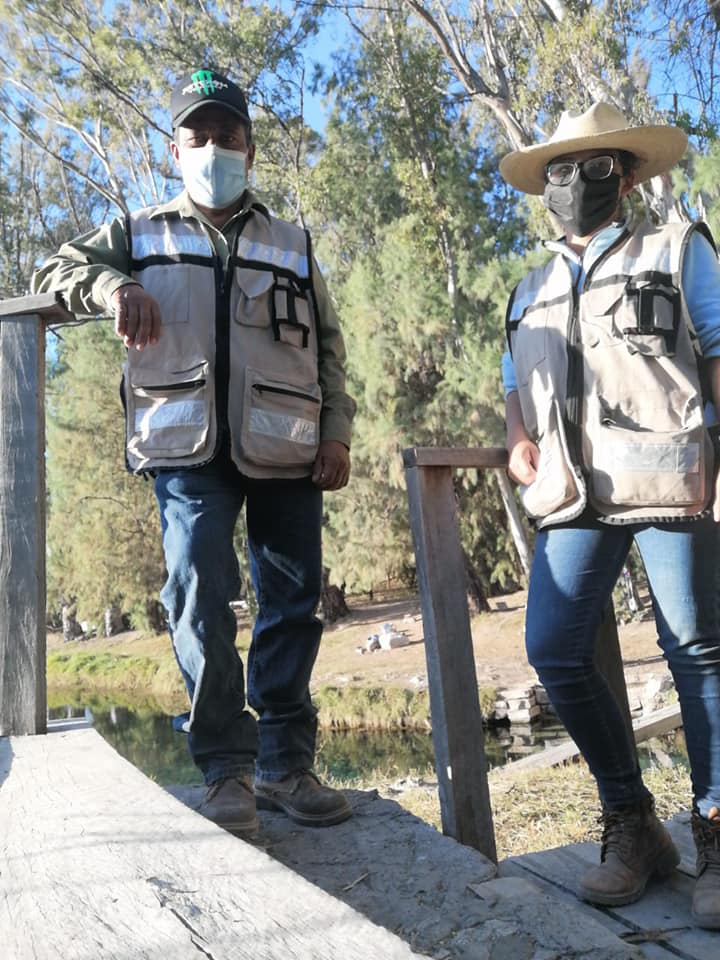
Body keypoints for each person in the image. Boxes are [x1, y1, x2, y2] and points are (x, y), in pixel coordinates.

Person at [33, 68, 356, 837]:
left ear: (250, 146)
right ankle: (224, 768)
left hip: (286, 446)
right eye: (197, 137)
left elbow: (332, 350)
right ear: (175, 150)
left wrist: (338, 428)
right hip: (183, 450)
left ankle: (284, 765)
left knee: (293, 603)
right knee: (198, 596)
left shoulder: (293, 242)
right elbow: (53, 271)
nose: (214, 148)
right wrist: (113, 289)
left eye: (228, 135)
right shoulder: (139, 233)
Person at [498, 102, 720, 928]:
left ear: (627, 177)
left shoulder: (678, 248)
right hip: (571, 497)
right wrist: (519, 437)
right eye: (559, 169)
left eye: (594, 168)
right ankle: (633, 823)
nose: (573, 184)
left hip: (672, 485)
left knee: (696, 647)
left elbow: (719, 346)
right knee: (553, 648)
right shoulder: (531, 285)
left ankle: (716, 834)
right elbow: (516, 383)